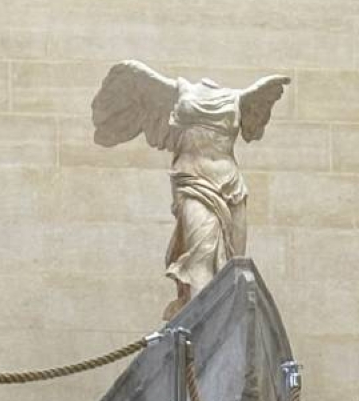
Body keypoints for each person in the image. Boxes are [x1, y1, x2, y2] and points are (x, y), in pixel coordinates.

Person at [91, 60, 291, 317]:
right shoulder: (175, 92)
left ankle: (222, 328)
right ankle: (202, 331)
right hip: (193, 181)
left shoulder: (239, 99)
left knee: (233, 265)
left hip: (230, 184)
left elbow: (252, 126)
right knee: (200, 255)